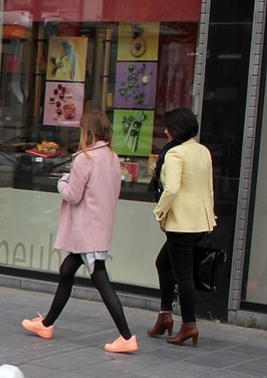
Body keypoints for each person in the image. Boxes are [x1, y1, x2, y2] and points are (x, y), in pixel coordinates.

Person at [21, 109, 137, 353]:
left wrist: (61, 182)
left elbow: (73, 195)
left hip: (87, 230)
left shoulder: (85, 159)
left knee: (100, 277)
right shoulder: (113, 157)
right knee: (67, 270)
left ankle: (126, 336)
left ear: (87, 131)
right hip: (99, 225)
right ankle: (47, 323)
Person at [148, 107, 216, 347]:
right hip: (200, 221)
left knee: (183, 275)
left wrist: (160, 212)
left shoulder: (176, 154)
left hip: (181, 223)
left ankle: (189, 324)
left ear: (176, 129)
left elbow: (172, 189)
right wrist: (210, 217)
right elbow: (208, 187)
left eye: (168, 127)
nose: (165, 131)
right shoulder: (203, 151)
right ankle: (165, 316)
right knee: (164, 263)